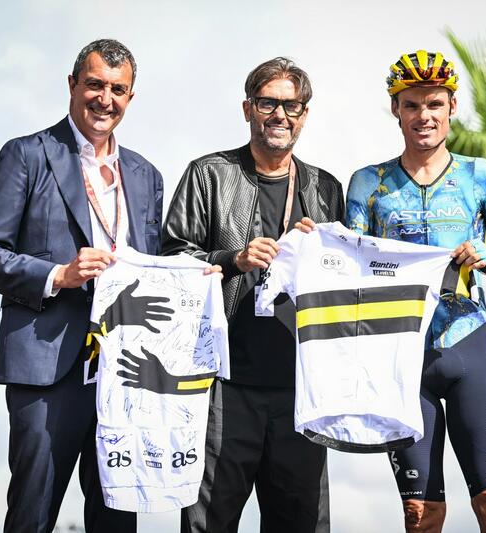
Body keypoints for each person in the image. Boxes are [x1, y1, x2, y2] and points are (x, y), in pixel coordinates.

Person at [299, 50, 486, 532]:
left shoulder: (481, 176)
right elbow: (350, 264)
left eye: (434, 104)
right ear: (396, 109)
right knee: (420, 514)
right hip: (402, 363)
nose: (423, 116)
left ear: (452, 107)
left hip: (467, 349)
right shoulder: (369, 183)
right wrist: (314, 243)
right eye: (411, 105)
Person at [0, 39, 165, 532]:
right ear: (72, 85)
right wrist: (59, 275)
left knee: (117, 520)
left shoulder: (147, 175)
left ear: (131, 97)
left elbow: (154, 264)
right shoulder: (26, 155)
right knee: (32, 515)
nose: (105, 99)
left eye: (117, 89)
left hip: (123, 372)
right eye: (95, 85)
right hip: (46, 367)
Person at [162, 57, 344, 533]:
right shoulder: (209, 175)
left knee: (301, 525)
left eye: (291, 105)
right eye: (268, 103)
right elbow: (172, 260)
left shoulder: (325, 188)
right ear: (248, 109)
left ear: (305, 115)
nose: (280, 115)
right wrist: (233, 260)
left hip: (300, 391)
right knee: (208, 524)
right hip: (223, 386)